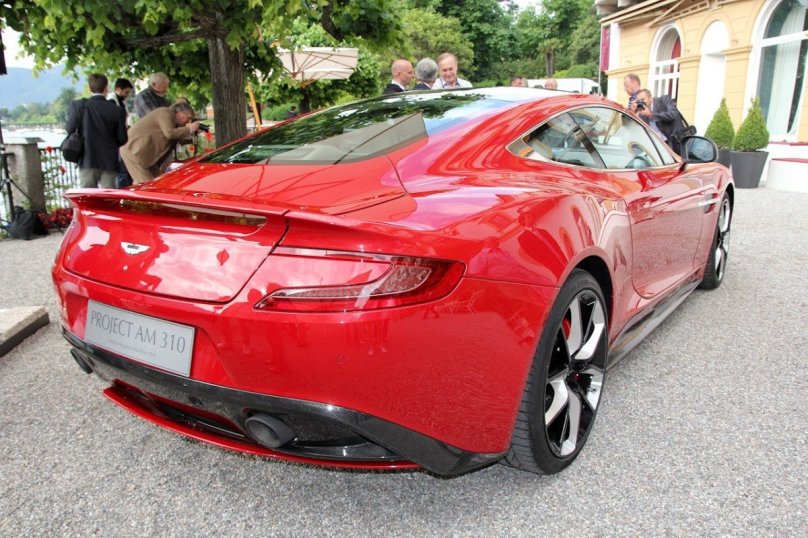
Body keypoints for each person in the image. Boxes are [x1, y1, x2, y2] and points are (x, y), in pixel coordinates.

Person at [65, 73, 128, 189]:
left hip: (87, 159)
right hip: (109, 161)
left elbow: (69, 129)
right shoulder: (117, 110)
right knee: (108, 200)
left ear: (89, 88)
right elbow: (122, 138)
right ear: (106, 88)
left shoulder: (78, 106)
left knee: (88, 198)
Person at [120, 103, 200, 183]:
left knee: (159, 181)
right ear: (179, 112)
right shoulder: (165, 112)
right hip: (132, 150)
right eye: (188, 117)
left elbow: (173, 139)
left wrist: (191, 134)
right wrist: (189, 129)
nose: (188, 121)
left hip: (144, 153)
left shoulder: (173, 122)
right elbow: (169, 133)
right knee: (145, 183)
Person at [634, 88, 688, 154]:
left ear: (650, 98)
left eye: (642, 100)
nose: (641, 103)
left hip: (675, 142)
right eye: (638, 101)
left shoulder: (664, 100)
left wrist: (651, 115)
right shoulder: (641, 113)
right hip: (659, 146)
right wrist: (634, 113)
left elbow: (673, 114)